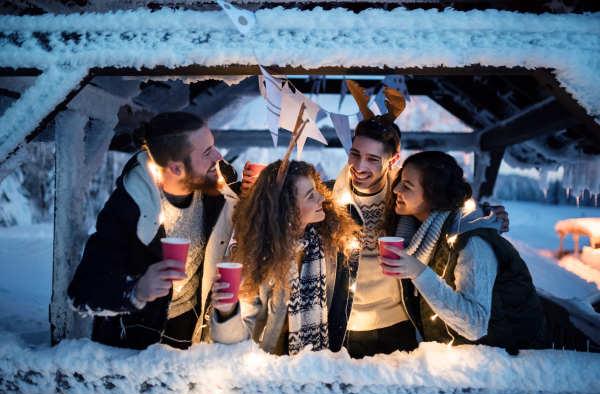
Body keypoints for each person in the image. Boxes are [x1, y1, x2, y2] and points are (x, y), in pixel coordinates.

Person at [325, 82, 511, 358]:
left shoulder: (406, 196)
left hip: (401, 325)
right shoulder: (327, 198)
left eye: (373, 159)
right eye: (355, 153)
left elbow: (448, 207)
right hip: (342, 327)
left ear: (393, 160)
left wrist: (487, 215)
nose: (360, 166)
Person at [68, 112, 254, 350]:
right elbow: (81, 292)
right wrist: (136, 290)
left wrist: (251, 193)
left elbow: (239, 204)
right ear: (176, 168)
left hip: (193, 330)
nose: (219, 157)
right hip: (136, 340)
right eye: (207, 152)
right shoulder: (128, 206)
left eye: (213, 147)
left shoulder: (218, 181)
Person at [380, 151, 547, 355]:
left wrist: (419, 273)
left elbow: (475, 324)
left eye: (407, 186)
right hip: (464, 356)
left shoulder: (473, 242)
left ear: (434, 195)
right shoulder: (420, 234)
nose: (396, 189)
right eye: (400, 181)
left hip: (509, 362)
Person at [209, 160, 361, 355]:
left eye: (316, 190)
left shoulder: (332, 243)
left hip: (317, 364)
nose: (321, 197)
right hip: (268, 369)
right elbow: (235, 342)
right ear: (287, 209)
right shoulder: (256, 254)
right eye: (310, 196)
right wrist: (227, 311)